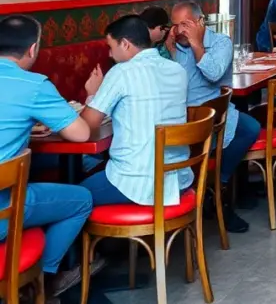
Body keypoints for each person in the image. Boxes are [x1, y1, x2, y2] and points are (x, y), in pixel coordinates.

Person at [0, 15, 94, 298]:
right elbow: (81, 135)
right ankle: (46, 278)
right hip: (4, 212)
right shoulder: (33, 85)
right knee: (82, 200)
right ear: (32, 49)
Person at [79, 16, 192, 207]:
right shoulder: (177, 70)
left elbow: (86, 126)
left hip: (137, 183)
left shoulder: (122, 72)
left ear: (124, 44)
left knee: (72, 197)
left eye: (110, 46)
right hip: (179, 179)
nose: (109, 54)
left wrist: (93, 94)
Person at [168, 2, 258, 233]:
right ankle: (214, 190)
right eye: (174, 26)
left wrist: (197, 45)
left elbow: (214, 72)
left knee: (249, 128)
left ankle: (219, 185)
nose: (179, 31)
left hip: (215, 116)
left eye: (185, 25)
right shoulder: (172, 47)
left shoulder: (220, 43)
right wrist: (169, 53)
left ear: (200, 23)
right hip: (182, 119)